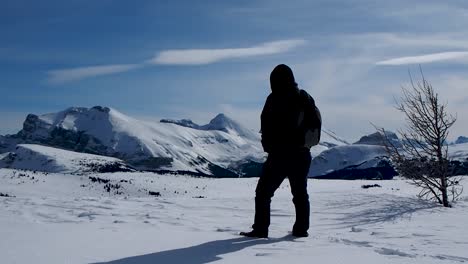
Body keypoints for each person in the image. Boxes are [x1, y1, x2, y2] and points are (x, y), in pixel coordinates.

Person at [241, 64, 319, 238]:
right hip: (302, 154)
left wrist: (269, 146)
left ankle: (261, 229)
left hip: (280, 155)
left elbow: (267, 125)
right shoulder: (304, 97)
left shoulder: (275, 98)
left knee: (263, 193)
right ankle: (301, 230)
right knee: (300, 193)